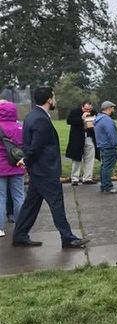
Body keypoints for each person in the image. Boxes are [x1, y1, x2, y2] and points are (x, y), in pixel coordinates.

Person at [12, 87, 89, 248]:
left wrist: (27, 160)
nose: (55, 100)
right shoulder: (40, 119)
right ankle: (68, 238)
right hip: (45, 170)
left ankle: (19, 235)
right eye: (54, 97)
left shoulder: (32, 115)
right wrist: (26, 159)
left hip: (37, 170)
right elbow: (36, 146)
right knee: (56, 203)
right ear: (48, 99)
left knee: (31, 204)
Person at [0, 99, 25, 237]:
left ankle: (0, 228)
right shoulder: (20, 126)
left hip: (0, 167)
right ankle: (21, 226)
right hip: (17, 164)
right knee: (19, 196)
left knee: (1, 197)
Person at [65, 99, 96, 185]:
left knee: (90, 158)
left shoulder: (93, 112)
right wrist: (82, 118)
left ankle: (87, 178)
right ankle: (75, 178)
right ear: (82, 107)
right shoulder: (75, 112)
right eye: (86, 109)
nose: (88, 111)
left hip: (89, 137)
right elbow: (69, 121)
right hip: (77, 138)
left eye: (89, 109)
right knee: (76, 159)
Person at [93, 101, 117, 194]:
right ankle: (108, 187)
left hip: (102, 146)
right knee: (108, 168)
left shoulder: (98, 119)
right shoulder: (107, 120)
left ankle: (104, 185)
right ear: (108, 108)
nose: (113, 110)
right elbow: (111, 134)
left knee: (104, 166)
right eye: (112, 108)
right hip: (109, 147)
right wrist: (115, 144)